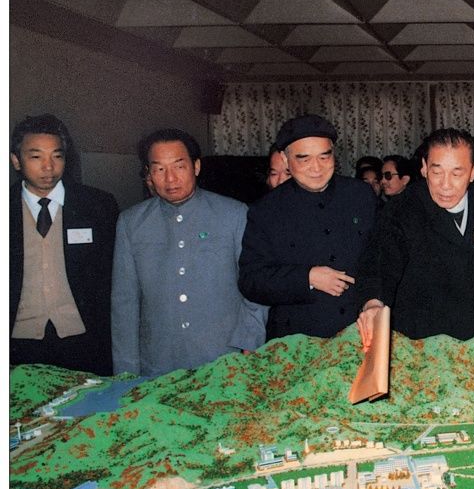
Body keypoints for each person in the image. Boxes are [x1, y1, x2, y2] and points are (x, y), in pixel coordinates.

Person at [356, 128, 474, 349]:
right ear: (424, 168)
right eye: (437, 172)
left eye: (457, 173)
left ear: (473, 172)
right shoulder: (402, 208)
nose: (446, 184)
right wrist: (373, 304)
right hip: (430, 338)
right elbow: (380, 262)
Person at [112, 129, 266, 376]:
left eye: (179, 166)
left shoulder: (234, 214)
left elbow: (255, 287)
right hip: (158, 362)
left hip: (223, 358)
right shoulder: (131, 223)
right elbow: (124, 303)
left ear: (196, 166)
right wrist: (126, 373)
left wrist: (250, 342)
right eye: (159, 169)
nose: (170, 178)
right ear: (148, 174)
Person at [239, 115, 378, 340]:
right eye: (304, 159)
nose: (316, 168)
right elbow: (251, 281)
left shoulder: (360, 195)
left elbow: (382, 256)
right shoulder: (265, 210)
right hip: (297, 339)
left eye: (324, 156)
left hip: (359, 333)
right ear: (285, 160)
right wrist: (308, 278)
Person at [10, 114, 119, 375]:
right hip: (18, 345)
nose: (48, 166)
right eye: (36, 157)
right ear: (16, 160)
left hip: (84, 341)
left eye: (56, 156)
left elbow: (112, 277)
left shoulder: (98, 206)